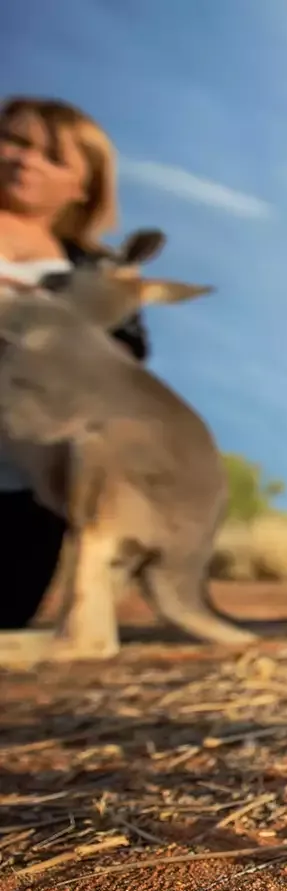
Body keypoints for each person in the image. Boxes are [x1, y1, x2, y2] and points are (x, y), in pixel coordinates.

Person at [0, 95, 151, 630]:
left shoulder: (101, 271)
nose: (24, 160)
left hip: (27, 485)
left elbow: (124, 360)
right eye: (14, 140)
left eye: (52, 157)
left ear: (82, 186)